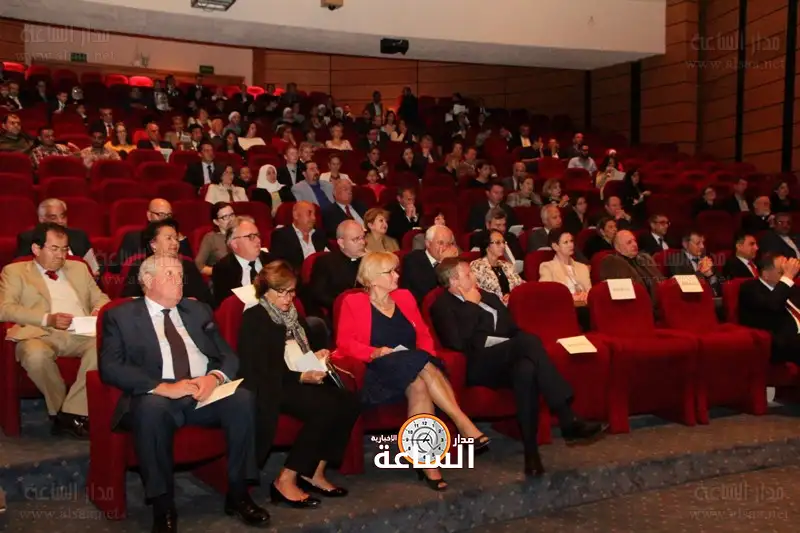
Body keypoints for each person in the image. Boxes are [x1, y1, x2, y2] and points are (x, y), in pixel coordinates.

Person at [99, 255, 270, 531]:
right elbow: (110, 367)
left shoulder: (198, 310)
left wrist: (214, 378)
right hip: (158, 394)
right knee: (151, 410)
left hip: (202, 391)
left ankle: (238, 493)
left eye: (180, 275)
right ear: (147, 281)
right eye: (170, 274)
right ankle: (163, 505)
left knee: (242, 399)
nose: (178, 280)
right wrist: (162, 387)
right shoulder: (120, 316)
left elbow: (227, 355)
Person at [430, 257, 605, 476]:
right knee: (529, 342)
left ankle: (532, 456)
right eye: (468, 274)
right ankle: (566, 416)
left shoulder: (489, 297)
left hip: (507, 356)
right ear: (454, 281)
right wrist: (471, 306)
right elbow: (457, 342)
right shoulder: (442, 305)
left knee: (527, 370)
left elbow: (511, 328)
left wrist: (516, 340)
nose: (473, 277)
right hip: (479, 365)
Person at [336, 252, 490, 491]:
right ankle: (462, 421)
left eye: (396, 270)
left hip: (413, 368)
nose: (397, 276)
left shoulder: (405, 297)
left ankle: (426, 463)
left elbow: (423, 336)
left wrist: (425, 356)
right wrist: (375, 352)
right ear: (373, 278)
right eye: (390, 272)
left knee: (419, 384)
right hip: (379, 370)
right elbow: (345, 343)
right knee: (418, 364)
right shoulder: (353, 302)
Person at [238, 261, 358, 507]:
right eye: (281, 292)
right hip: (270, 385)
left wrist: (316, 358)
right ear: (265, 291)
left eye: (291, 291)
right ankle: (285, 479)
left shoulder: (293, 315)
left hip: (297, 377)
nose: (288, 298)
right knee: (325, 406)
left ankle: (314, 471)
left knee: (348, 400)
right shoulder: (255, 317)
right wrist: (300, 377)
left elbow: (299, 354)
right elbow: (260, 369)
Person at [0, 222, 109, 438]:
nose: (61, 255)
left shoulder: (78, 268)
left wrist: (99, 309)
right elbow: (5, 309)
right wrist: (48, 319)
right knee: (36, 356)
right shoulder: (15, 272)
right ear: (36, 249)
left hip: (80, 332)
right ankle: (65, 413)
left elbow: (101, 298)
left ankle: (70, 413)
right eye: (54, 249)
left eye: (64, 249)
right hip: (38, 333)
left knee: (106, 348)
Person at [121, 220, 212, 306]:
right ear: (153, 244)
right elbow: (129, 301)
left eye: (176, 238)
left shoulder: (187, 266)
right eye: (169, 238)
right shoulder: (140, 267)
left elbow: (206, 301)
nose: (175, 243)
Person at [739, 253, 800, 364]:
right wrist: (787, 276)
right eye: (782, 272)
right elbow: (772, 305)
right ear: (766, 274)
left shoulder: (790, 288)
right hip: (779, 342)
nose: (787, 275)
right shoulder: (750, 289)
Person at [211, 217, 274, 307]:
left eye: (257, 235)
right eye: (251, 237)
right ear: (234, 244)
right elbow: (225, 308)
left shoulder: (273, 261)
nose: (258, 240)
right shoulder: (223, 270)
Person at [598, 230, 665, 304]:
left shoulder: (644, 259)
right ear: (618, 248)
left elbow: (661, 282)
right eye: (629, 242)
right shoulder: (613, 264)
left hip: (656, 304)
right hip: (633, 305)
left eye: (635, 241)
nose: (634, 244)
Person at [400, 225, 459, 304]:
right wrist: (444, 263)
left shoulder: (453, 260)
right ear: (428, 243)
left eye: (449, 244)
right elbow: (430, 292)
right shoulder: (412, 259)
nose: (445, 248)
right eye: (441, 243)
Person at [270, 201, 328, 272]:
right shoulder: (281, 236)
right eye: (309, 213)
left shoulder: (319, 234)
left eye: (314, 214)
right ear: (296, 215)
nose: (314, 218)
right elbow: (280, 267)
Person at [470, 229, 524, 304]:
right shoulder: (477, 266)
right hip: (493, 306)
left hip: (514, 303)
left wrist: (512, 296)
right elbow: (480, 292)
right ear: (487, 245)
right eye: (498, 242)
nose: (503, 246)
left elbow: (521, 286)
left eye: (503, 242)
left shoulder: (507, 265)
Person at [539, 229, 591, 305]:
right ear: (555, 246)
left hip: (584, 306)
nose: (571, 245)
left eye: (571, 241)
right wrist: (570, 298)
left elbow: (590, 292)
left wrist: (585, 295)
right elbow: (547, 294)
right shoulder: (547, 267)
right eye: (566, 242)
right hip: (562, 307)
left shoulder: (583, 267)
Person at [667, 230, 721, 296]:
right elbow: (683, 287)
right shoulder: (675, 260)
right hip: (687, 299)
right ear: (685, 244)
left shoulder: (707, 257)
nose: (702, 246)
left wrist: (711, 275)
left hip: (708, 298)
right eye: (698, 243)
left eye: (703, 243)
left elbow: (720, 289)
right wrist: (700, 272)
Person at [194, 202, 235, 276]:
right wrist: (219, 272)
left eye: (232, 215)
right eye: (225, 217)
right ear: (216, 222)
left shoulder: (242, 233)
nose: (231, 219)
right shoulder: (210, 238)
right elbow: (198, 265)